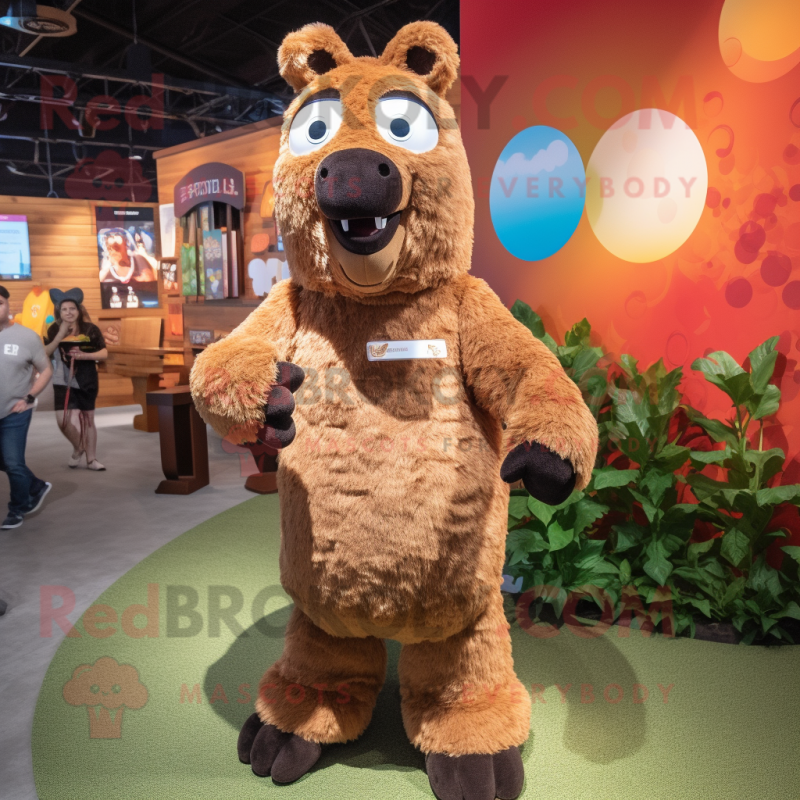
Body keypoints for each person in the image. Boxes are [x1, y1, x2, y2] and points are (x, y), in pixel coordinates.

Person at [0, 284, 53, 530]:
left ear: (8, 305)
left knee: (12, 461)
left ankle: (18, 508)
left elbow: (46, 370)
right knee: (8, 462)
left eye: (0, 304)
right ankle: (36, 486)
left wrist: (30, 397)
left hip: (16, 411)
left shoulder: (26, 336)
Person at [44, 288, 108, 471]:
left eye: (72, 308)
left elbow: (104, 353)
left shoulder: (90, 329)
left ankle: (91, 459)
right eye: (64, 309)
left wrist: (84, 355)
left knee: (88, 419)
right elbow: (46, 352)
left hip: (86, 378)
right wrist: (61, 333)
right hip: (62, 380)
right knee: (62, 420)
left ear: (79, 310)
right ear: (59, 311)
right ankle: (78, 447)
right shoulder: (53, 329)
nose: (68, 312)